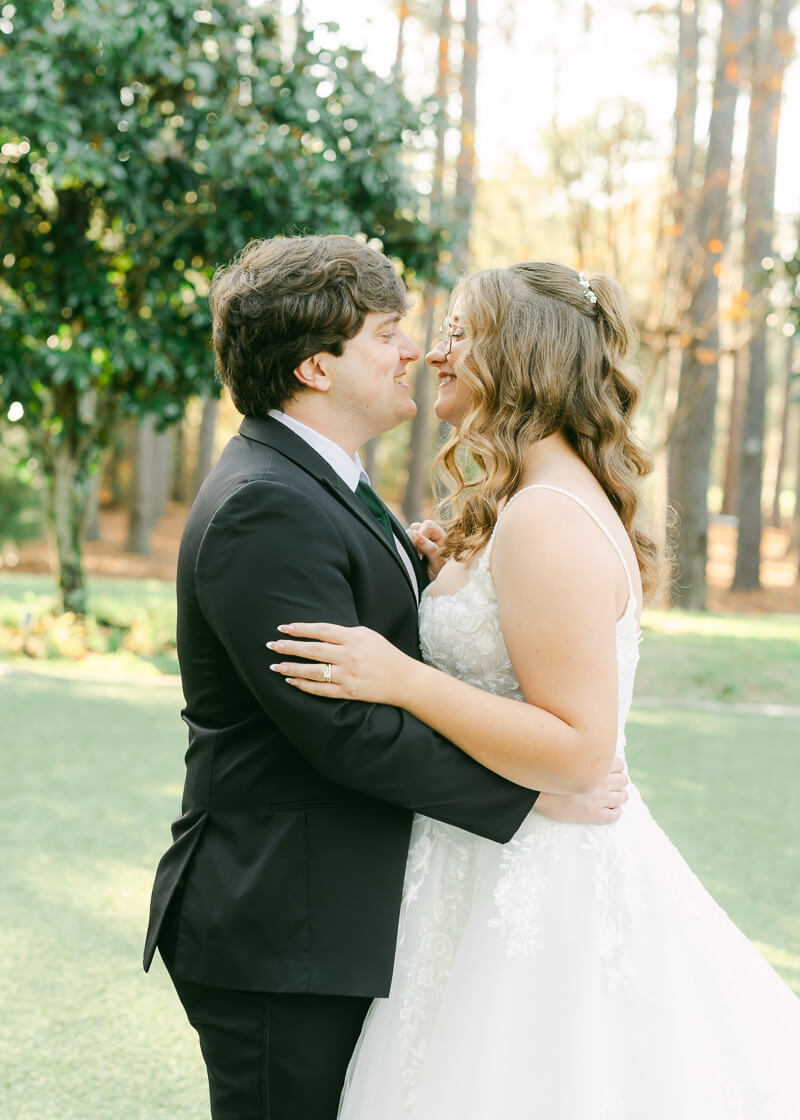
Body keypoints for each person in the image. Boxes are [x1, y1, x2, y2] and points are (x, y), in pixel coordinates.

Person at [271, 261, 800, 1119]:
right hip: (477, 862)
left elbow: (581, 751)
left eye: (459, 336)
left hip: (534, 886)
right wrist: (441, 573)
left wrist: (402, 678)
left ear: (518, 357)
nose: (435, 355)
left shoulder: (547, 516)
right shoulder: (527, 503)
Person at [142, 237, 628, 1120]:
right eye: (386, 333)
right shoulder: (265, 503)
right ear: (316, 367)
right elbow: (342, 726)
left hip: (333, 917)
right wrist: (531, 798)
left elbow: (360, 621)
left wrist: (416, 567)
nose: (415, 351)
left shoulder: (321, 484)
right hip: (281, 922)